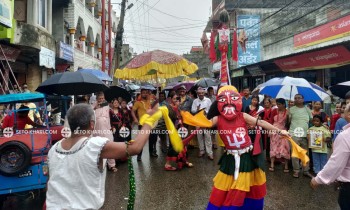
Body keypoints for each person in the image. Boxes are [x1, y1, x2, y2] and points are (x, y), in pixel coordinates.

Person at [183, 85, 290, 209]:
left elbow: (260, 122)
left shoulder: (242, 116)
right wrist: (193, 120)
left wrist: (279, 131)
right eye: (224, 100)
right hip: (230, 158)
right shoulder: (217, 119)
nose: (229, 104)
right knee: (226, 186)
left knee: (246, 186)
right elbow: (204, 124)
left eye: (232, 99)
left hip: (246, 157)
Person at [45, 103, 164, 209]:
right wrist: (149, 121)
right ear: (92, 124)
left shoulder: (53, 149)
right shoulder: (94, 145)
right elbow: (135, 148)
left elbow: (51, 182)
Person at [310, 103, 350, 210]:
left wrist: (318, 179)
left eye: (345, 107)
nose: (343, 109)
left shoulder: (346, 135)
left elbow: (336, 163)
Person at [288, 94, 313, 178]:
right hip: (293, 134)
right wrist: (288, 116)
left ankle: (306, 170)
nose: (297, 99)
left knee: (305, 153)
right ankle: (296, 170)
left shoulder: (307, 109)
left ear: (303, 99)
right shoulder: (291, 109)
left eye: (299, 98)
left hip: (305, 135)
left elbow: (311, 121)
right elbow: (287, 123)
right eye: (295, 98)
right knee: (295, 153)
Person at [131, 88, 158, 160]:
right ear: (141, 93)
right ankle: (139, 155)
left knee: (153, 138)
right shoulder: (137, 102)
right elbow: (132, 111)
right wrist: (135, 119)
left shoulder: (150, 101)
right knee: (141, 140)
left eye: (146, 93)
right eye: (143, 93)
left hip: (151, 123)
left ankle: (151, 152)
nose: (145, 94)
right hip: (142, 124)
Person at [93, 92, 116, 172]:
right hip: (97, 130)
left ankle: (111, 165)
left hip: (106, 129)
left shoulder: (106, 105)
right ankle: (99, 166)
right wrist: (95, 107)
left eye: (102, 98)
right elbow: (90, 112)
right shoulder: (93, 105)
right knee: (98, 148)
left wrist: (110, 127)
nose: (101, 100)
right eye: (100, 98)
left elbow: (109, 116)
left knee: (110, 146)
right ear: (97, 99)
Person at [269, 98, 290, 173]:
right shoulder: (274, 110)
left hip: (283, 131)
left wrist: (288, 116)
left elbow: (288, 124)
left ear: (284, 104)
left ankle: (286, 165)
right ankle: (272, 164)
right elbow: (271, 121)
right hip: (274, 130)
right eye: (277, 104)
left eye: (279, 104)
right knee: (273, 147)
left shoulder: (288, 112)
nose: (278, 106)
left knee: (285, 147)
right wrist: (270, 130)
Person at [191, 87, 213, 160]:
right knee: (199, 136)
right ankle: (201, 151)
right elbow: (192, 111)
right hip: (198, 120)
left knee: (208, 136)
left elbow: (211, 110)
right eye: (199, 93)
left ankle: (210, 153)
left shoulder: (208, 100)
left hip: (206, 120)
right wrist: (196, 110)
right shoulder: (195, 101)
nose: (200, 94)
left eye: (202, 93)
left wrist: (205, 112)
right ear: (197, 94)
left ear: (204, 93)